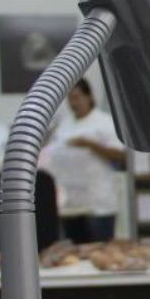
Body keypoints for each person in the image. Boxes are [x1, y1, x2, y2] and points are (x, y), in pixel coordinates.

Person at [44, 79, 125, 242]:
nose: (74, 103)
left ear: (89, 97)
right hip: (71, 203)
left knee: (99, 247)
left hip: (99, 201)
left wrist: (89, 144)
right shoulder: (65, 125)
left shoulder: (104, 121)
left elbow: (120, 155)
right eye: (70, 98)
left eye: (77, 97)